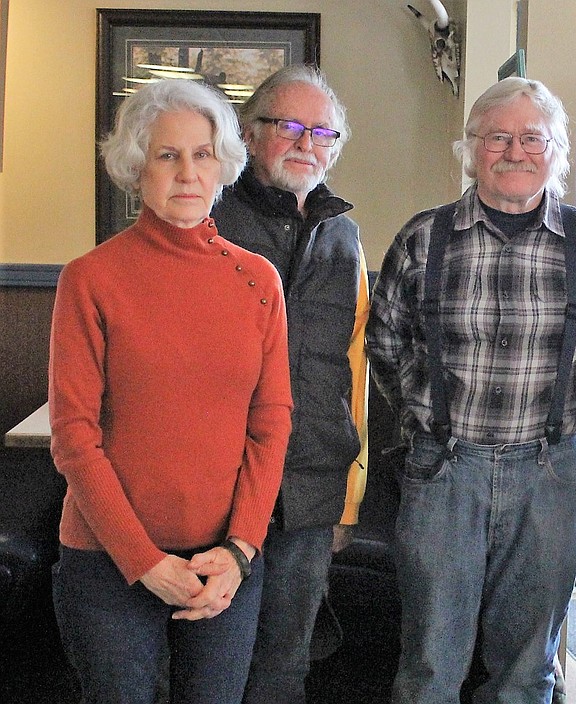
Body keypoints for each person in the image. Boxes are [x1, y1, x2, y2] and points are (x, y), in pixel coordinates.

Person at [366, 77, 576, 703]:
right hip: (443, 473)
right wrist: (429, 421)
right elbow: (385, 343)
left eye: (532, 138)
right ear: (472, 148)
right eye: (497, 138)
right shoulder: (423, 238)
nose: (515, 152)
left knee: (527, 667)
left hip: (550, 474)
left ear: (556, 150)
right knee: (430, 663)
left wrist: (561, 422)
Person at [48, 79, 292, 703]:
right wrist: (144, 562)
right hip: (109, 560)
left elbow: (271, 423)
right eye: (167, 155)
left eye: (202, 154)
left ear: (223, 165)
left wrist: (240, 550)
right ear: (137, 166)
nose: (188, 172)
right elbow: (75, 438)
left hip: (224, 563)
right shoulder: (91, 279)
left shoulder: (257, 279)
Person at [209, 64, 369, 704]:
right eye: (290, 126)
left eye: (323, 132)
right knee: (211, 661)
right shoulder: (210, 220)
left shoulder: (344, 234)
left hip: (309, 482)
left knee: (284, 666)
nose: (308, 143)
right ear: (249, 134)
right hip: (219, 481)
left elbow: (352, 368)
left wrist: (349, 490)